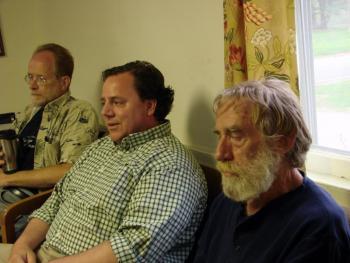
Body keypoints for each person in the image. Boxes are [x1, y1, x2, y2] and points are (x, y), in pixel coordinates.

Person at [0, 60, 207, 262]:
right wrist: (22, 245)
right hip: (41, 252)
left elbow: (132, 246)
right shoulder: (102, 146)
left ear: (150, 106)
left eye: (117, 102)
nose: (105, 112)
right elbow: (57, 200)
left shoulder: (170, 164)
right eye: (104, 102)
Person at [194, 79, 350, 262]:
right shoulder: (226, 202)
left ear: (283, 141)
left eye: (236, 136)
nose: (220, 153)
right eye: (219, 136)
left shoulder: (319, 227)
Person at [0, 43, 99, 204]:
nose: (32, 85)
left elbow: (68, 171)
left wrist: (8, 179)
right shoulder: (29, 111)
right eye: (30, 77)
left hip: (35, 202)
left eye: (41, 78)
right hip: (10, 191)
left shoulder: (79, 111)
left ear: (64, 82)